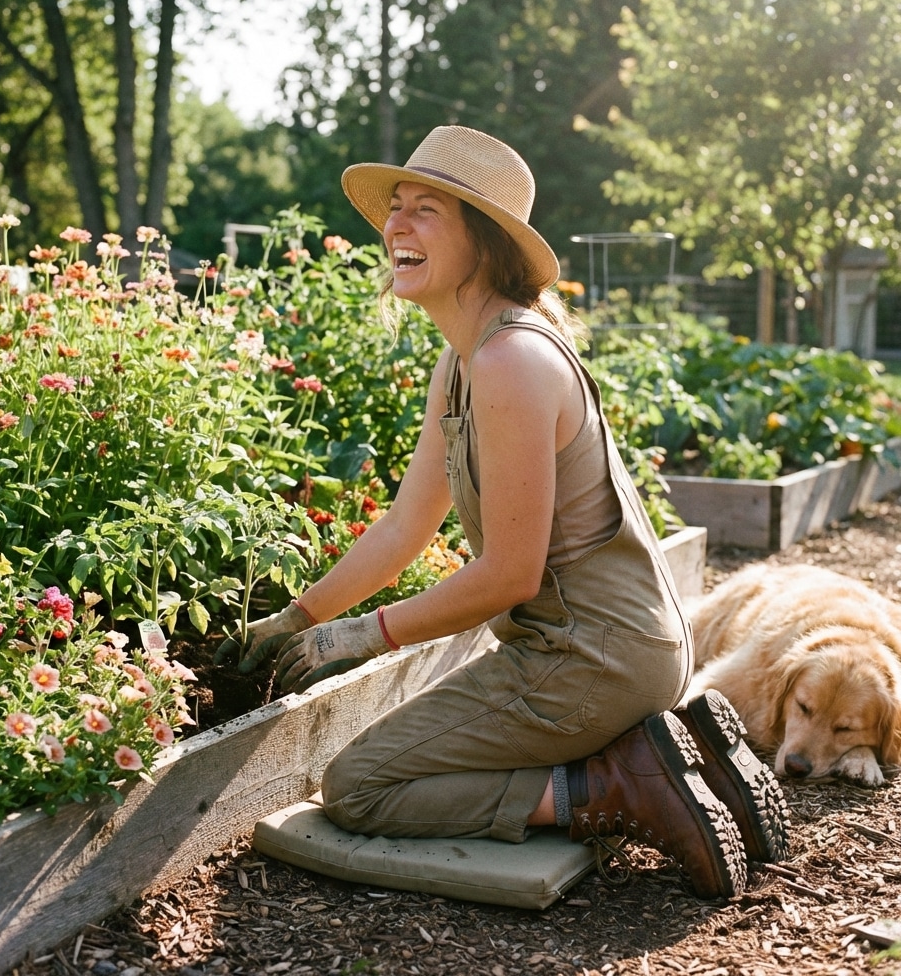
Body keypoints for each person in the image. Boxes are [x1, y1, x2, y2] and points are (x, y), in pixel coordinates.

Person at [234, 125, 789, 899]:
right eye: (396, 206)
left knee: (360, 787)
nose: (396, 225)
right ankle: (674, 759)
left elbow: (509, 576)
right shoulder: (466, 359)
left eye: (426, 210)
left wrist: (361, 635)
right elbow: (407, 525)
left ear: (485, 242)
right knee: (396, 766)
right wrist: (301, 617)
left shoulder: (511, 362)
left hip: (591, 660)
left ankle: (614, 787)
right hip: (600, 650)